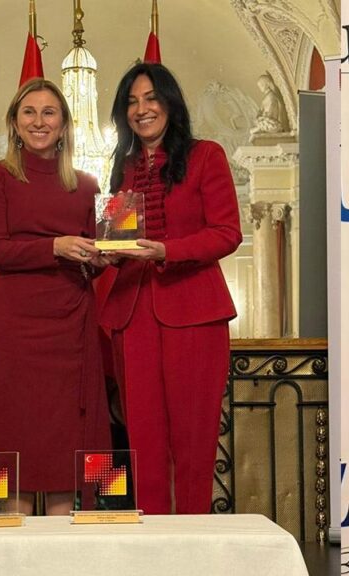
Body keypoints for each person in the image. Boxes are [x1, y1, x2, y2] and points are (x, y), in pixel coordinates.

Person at [98, 62, 242, 515]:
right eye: (131, 102)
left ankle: (194, 538)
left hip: (194, 311)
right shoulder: (123, 168)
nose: (141, 109)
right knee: (142, 440)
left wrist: (167, 251)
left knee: (194, 438)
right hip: (131, 315)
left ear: (170, 103)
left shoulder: (206, 156)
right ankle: (152, 538)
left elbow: (227, 233)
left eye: (150, 98)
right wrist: (105, 253)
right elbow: (119, 240)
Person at [0, 78, 111, 515]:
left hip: (71, 324)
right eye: (29, 112)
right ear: (14, 123)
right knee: (9, 429)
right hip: (15, 326)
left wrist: (103, 258)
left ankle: (62, 539)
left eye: (49, 112)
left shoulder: (87, 185)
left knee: (67, 435)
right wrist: (55, 246)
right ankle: (5, 535)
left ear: (64, 124)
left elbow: (92, 254)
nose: (39, 121)